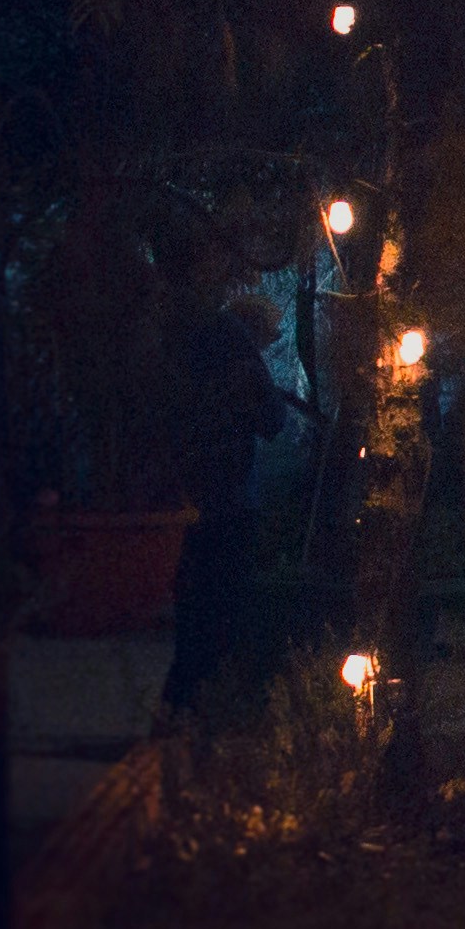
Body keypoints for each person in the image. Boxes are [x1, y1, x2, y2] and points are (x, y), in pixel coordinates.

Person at [156, 290, 304, 716]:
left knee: (193, 608)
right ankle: (209, 707)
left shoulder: (189, 346)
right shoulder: (235, 350)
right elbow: (272, 420)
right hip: (231, 501)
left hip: (191, 497)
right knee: (223, 607)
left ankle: (183, 705)